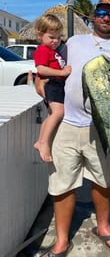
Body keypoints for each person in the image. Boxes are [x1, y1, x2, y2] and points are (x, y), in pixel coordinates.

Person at [36, 0, 110, 257]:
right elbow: (48, 67)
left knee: (103, 180)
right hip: (65, 124)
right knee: (62, 184)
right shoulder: (72, 43)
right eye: (102, 13)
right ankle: (61, 240)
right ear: (94, 16)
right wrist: (40, 83)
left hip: (102, 128)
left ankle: (103, 227)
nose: (106, 18)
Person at [33, 13, 72, 162]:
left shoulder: (54, 51)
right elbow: (41, 69)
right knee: (58, 112)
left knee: (51, 114)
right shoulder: (43, 50)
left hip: (57, 84)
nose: (56, 41)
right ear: (40, 35)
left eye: (58, 37)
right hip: (53, 83)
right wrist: (62, 72)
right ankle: (44, 142)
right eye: (51, 37)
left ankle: (40, 140)